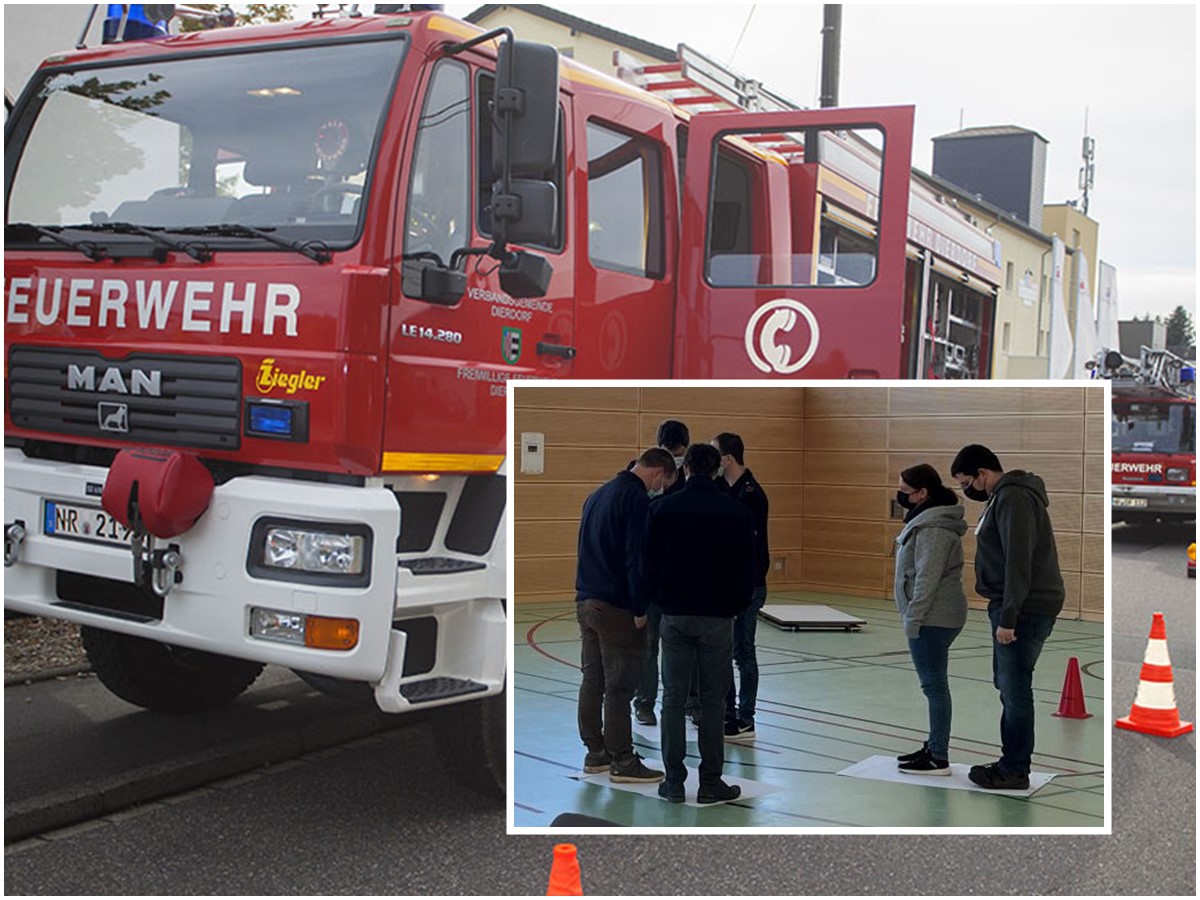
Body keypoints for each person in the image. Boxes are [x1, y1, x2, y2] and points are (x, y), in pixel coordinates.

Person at [950, 444, 1065, 791]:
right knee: (1008, 685)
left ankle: (1015, 768)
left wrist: (1009, 618)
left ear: (983, 473)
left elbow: (1019, 561)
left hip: (1024, 607)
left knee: (1015, 690)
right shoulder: (1002, 498)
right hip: (1014, 604)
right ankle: (1011, 761)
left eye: (967, 481)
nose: (966, 490)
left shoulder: (1013, 498)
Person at [645, 443, 755, 804]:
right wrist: (737, 606)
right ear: (714, 470)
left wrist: (658, 601)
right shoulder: (735, 511)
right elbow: (746, 568)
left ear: (687, 468)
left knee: (673, 700)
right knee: (712, 703)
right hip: (717, 616)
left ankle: (674, 782)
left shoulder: (661, 509)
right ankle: (710, 782)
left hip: (674, 614)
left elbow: (648, 562)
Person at [575, 447, 677, 784]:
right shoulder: (635, 500)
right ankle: (623, 759)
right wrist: (639, 607)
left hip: (587, 601)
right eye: (663, 484)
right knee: (620, 686)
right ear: (658, 472)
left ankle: (596, 751)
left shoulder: (598, 494)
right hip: (617, 606)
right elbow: (636, 558)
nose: (659, 490)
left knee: (593, 680)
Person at [892, 463, 968, 775]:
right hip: (932, 615)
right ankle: (934, 744)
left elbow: (927, 578)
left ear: (923, 493)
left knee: (934, 686)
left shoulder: (933, 528)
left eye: (905, 491)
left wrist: (914, 617)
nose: (899, 496)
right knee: (933, 685)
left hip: (933, 617)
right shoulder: (926, 521)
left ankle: (939, 755)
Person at [632, 419, 691, 727]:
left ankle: (683, 701)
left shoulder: (689, 477)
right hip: (652, 576)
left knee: (679, 645)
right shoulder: (637, 476)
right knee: (650, 645)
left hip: (678, 576)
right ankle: (644, 703)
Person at [712, 432, 770, 742]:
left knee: (744, 652)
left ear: (728, 458)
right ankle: (727, 712)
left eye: (715, 453)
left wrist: (745, 587)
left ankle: (746, 717)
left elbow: (753, 549)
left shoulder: (752, 494)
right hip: (723, 585)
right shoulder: (718, 488)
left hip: (748, 586)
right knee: (724, 651)